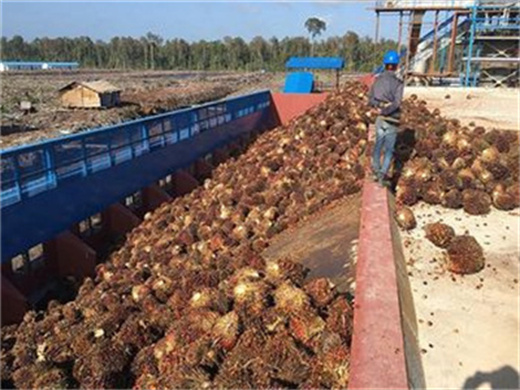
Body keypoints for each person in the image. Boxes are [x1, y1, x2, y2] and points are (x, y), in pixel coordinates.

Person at [369, 49, 404, 186]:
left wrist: (379, 107)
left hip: (380, 119)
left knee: (378, 145)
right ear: (396, 66)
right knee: (389, 149)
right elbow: (397, 103)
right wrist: (387, 110)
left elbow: (370, 100)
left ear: (384, 64)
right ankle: (382, 175)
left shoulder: (376, 81)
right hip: (392, 119)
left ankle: (376, 173)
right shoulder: (399, 83)